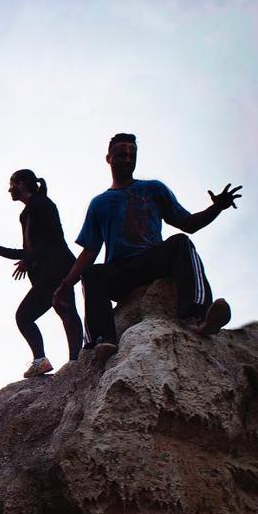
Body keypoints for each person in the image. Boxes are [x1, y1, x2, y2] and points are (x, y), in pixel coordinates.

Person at [53, 133, 240, 363]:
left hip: (151, 260)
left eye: (133, 155)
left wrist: (216, 208)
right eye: (122, 154)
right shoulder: (99, 203)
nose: (128, 159)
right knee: (91, 274)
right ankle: (102, 341)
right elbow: (89, 251)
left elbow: (188, 224)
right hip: (120, 270)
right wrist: (64, 285)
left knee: (181, 242)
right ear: (108, 158)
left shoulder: (153, 189)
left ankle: (199, 315)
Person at [0, 170, 83, 378]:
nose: (9, 189)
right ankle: (72, 359)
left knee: (31, 315)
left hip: (56, 269)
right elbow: (30, 250)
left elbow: (54, 239)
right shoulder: (28, 212)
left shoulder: (42, 205)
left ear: (21, 184)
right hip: (49, 271)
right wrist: (3, 252)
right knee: (62, 310)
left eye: (11, 184)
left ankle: (65, 360)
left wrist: (27, 259)